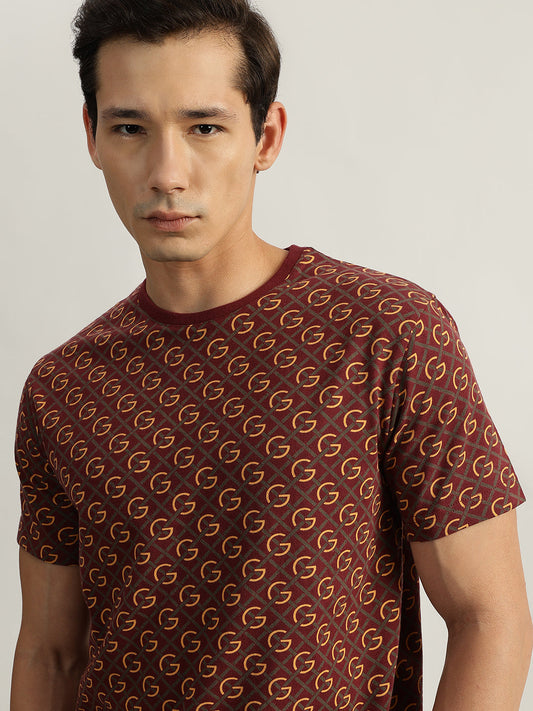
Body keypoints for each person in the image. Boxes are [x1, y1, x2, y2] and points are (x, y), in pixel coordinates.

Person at [10, 0, 532, 709]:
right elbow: (51, 653)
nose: (167, 172)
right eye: (130, 128)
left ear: (266, 136)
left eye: (204, 127)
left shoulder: (387, 332)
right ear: (92, 136)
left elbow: (489, 618)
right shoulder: (63, 386)